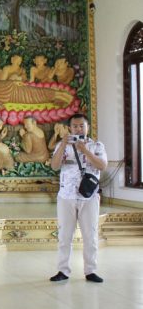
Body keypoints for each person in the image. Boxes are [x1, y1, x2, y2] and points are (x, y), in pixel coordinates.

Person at [49, 113, 107, 283]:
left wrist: (85, 150)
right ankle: (63, 270)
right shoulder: (63, 145)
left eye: (82, 125)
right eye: (75, 126)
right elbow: (54, 165)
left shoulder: (96, 145)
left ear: (87, 127)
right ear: (69, 128)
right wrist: (63, 145)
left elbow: (102, 165)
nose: (79, 128)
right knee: (64, 235)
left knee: (90, 235)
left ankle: (90, 270)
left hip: (89, 197)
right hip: (66, 196)